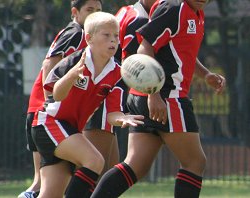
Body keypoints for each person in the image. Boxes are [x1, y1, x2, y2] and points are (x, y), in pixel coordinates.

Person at [91, 1, 226, 198]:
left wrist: (205, 74)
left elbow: (180, 50)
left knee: (136, 165)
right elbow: (145, 48)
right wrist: (153, 93)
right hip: (167, 97)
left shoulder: (196, 13)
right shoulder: (175, 8)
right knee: (195, 162)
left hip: (147, 97)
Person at [31, 11, 144, 198]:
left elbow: (111, 114)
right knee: (94, 160)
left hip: (70, 131)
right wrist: (72, 75)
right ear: (89, 38)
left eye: (116, 36)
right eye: (106, 35)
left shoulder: (117, 73)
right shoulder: (74, 62)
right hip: (49, 124)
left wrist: (122, 118)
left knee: (50, 195)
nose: (113, 41)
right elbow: (56, 95)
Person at [18, 0, 102, 197]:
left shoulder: (88, 38)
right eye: (90, 10)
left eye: (98, 10)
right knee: (40, 185)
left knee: (49, 187)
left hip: (49, 113)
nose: (95, 15)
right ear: (75, 12)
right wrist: (51, 105)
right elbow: (49, 65)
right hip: (45, 112)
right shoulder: (76, 33)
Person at [114, 0, 156, 161]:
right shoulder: (140, 20)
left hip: (104, 89)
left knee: (104, 164)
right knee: (94, 164)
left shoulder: (127, 10)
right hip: (106, 91)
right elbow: (130, 65)